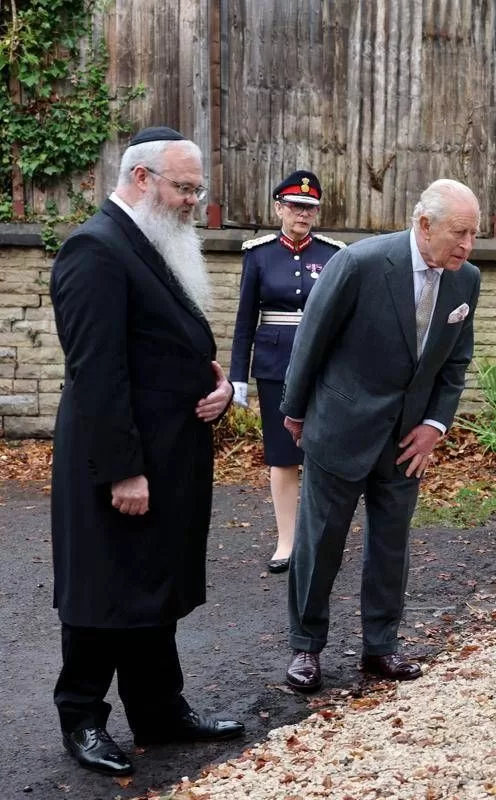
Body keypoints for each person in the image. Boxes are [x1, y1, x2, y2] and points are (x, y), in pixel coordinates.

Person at [48, 126, 244, 777]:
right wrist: (124, 469)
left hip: (167, 455)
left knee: (152, 587)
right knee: (104, 589)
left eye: (197, 189)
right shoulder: (95, 249)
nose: (193, 201)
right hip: (118, 462)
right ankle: (81, 717)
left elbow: (164, 345)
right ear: (141, 179)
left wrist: (216, 387)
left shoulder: (149, 241)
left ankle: (158, 712)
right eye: (184, 188)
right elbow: (96, 372)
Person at [280, 179, 481, 692]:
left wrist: (434, 426)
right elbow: (312, 338)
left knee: (392, 546)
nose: (468, 245)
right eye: (459, 233)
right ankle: (306, 648)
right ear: (425, 224)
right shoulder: (360, 263)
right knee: (320, 542)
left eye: (474, 234)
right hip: (340, 427)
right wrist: (295, 410)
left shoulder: (466, 281)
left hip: (406, 441)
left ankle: (381, 647)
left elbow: (455, 364)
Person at [230, 171, 345, 573]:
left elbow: (343, 319)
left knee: (322, 454)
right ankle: (287, 541)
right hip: (275, 366)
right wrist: (238, 377)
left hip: (322, 368)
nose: (303, 214)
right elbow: (245, 322)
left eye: (310, 208)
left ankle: (318, 540)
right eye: (295, 206)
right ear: (279, 208)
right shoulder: (258, 255)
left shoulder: (333, 254)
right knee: (282, 455)